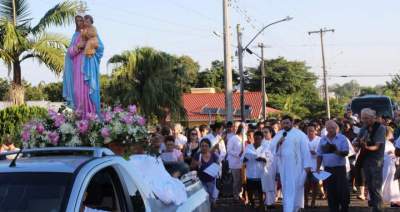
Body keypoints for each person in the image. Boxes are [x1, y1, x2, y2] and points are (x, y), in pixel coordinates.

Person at [63, 14, 104, 118]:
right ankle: (80, 117)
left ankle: (92, 117)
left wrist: (91, 44)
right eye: (78, 21)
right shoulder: (76, 35)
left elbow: (101, 48)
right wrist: (78, 46)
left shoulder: (92, 33)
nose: (80, 23)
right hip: (77, 68)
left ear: (87, 21)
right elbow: (70, 53)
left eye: (82, 20)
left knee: (89, 91)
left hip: (89, 66)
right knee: (78, 91)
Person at [270, 115, 313, 212]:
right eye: (283, 123)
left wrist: (306, 168)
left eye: (287, 123)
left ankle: (294, 209)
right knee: (286, 191)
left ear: (292, 123)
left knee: (296, 190)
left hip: (297, 168)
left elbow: (306, 152)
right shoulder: (280, 134)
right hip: (284, 168)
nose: (285, 125)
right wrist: (278, 144)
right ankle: (288, 209)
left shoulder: (300, 134)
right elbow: (272, 148)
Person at [355, 108, 386, 212]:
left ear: (373, 117)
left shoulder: (380, 128)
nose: (364, 120)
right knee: (370, 187)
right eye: (363, 118)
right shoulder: (363, 128)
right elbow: (357, 140)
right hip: (365, 159)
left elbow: (377, 146)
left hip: (376, 161)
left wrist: (366, 147)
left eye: (366, 118)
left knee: (376, 187)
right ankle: (374, 208)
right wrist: (356, 143)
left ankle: (379, 209)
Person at [316, 120, 350, 212]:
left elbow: (346, 152)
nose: (331, 130)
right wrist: (318, 167)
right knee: (330, 192)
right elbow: (319, 154)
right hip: (328, 169)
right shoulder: (322, 139)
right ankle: (333, 209)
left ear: (337, 129)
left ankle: (344, 209)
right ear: (326, 129)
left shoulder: (342, 138)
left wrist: (336, 151)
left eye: (333, 128)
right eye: (329, 128)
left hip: (339, 169)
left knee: (342, 192)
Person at [242, 131, 273, 209]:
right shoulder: (248, 147)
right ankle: (252, 204)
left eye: (259, 139)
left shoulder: (265, 148)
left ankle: (261, 205)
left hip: (260, 175)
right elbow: (242, 159)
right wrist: (245, 158)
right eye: (255, 139)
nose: (257, 141)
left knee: (260, 192)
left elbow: (270, 160)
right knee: (250, 192)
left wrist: (263, 159)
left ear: (262, 139)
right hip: (250, 174)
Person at [191, 138, 219, 204]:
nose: (204, 147)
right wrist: (196, 163)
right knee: (204, 199)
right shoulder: (197, 155)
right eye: (202, 146)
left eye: (206, 146)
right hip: (201, 181)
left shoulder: (213, 155)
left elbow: (218, 166)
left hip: (212, 181)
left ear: (209, 147)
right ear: (200, 146)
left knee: (212, 199)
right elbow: (191, 166)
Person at [305, 124, 324, 208]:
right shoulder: (303, 140)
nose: (310, 132)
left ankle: (313, 202)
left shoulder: (320, 140)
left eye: (312, 130)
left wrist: (316, 153)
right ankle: (305, 202)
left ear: (316, 131)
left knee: (315, 184)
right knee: (306, 185)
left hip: (317, 165)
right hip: (305, 166)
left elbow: (323, 153)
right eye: (309, 130)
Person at [381, 127, 400, 207]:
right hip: (385, 165)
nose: (392, 135)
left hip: (391, 165)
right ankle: (375, 198)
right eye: (391, 133)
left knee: (392, 182)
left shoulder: (389, 143)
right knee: (383, 181)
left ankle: (394, 200)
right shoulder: (383, 143)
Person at [261, 127, 278, 208]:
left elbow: (276, 155)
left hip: (273, 166)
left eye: (266, 132)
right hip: (263, 166)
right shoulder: (261, 142)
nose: (264, 134)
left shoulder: (274, 142)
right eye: (263, 132)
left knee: (273, 184)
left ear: (271, 133)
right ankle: (266, 201)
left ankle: (272, 202)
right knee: (265, 184)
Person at [227, 122, 244, 202]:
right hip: (235, 163)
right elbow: (229, 150)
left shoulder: (246, 137)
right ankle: (235, 195)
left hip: (244, 163)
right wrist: (238, 154)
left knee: (242, 180)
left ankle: (241, 194)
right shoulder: (233, 138)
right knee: (236, 180)